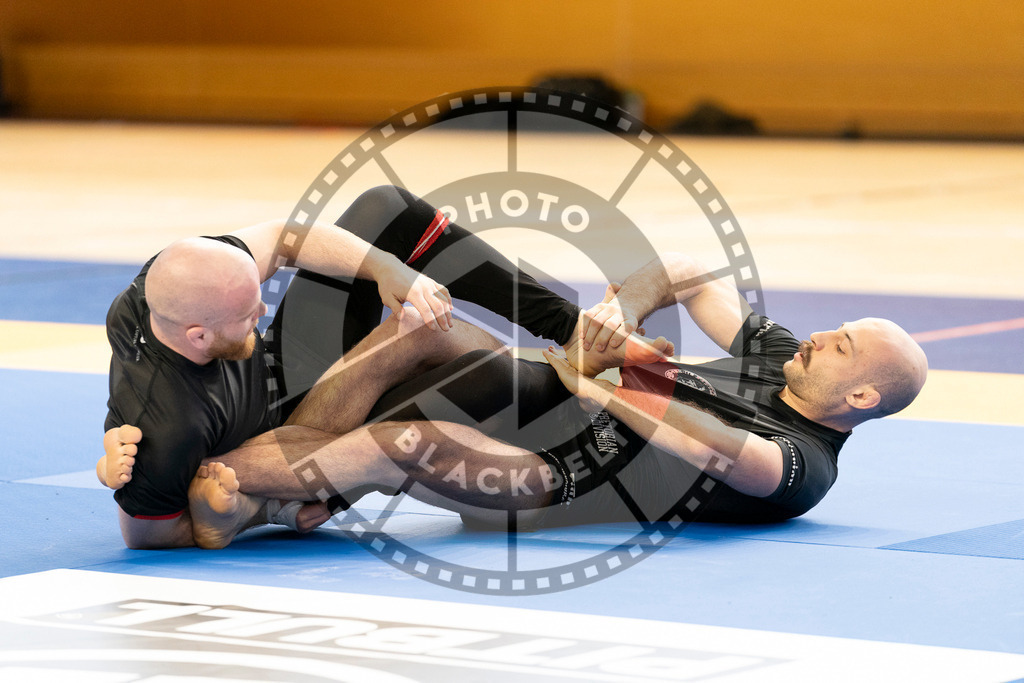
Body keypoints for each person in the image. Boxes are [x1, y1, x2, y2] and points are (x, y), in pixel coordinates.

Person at [163, 246, 928, 544]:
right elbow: (697, 272)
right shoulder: (779, 356)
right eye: (838, 329)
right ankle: (251, 502)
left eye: (844, 345)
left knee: (407, 442)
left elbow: (709, 446)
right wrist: (620, 311)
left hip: (552, 483)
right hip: (551, 401)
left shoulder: (807, 467)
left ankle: (187, 480)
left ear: (859, 395)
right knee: (423, 324)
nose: (822, 337)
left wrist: (595, 387)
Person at [97, 184, 672, 549]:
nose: (265, 308)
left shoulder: (168, 282)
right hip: (269, 442)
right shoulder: (164, 429)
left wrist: (385, 267)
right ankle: (270, 500)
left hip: (285, 368)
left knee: (385, 211)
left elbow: (281, 239)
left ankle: (570, 332)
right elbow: (146, 534)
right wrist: (230, 507)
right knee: (471, 372)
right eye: (249, 313)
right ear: (197, 334)